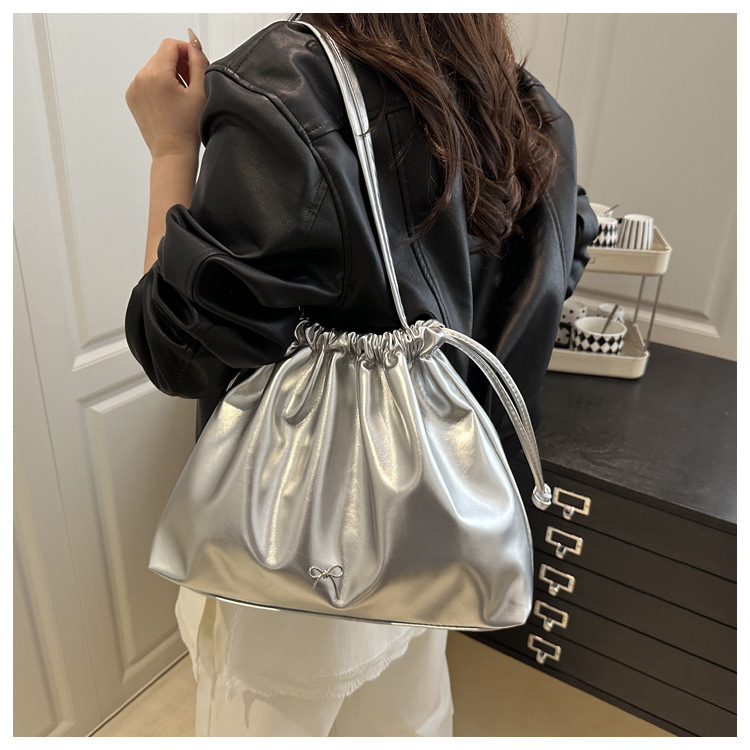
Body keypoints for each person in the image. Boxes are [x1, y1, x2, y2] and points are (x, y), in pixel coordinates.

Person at [125, 14, 597, 737]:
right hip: (433, 527)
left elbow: (175, 347)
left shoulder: (289, 81)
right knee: (408, 723)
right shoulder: (521, 103)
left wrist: (169, 147)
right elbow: (565, 252)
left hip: (295, 562)